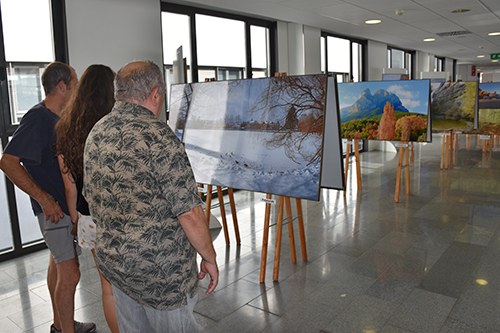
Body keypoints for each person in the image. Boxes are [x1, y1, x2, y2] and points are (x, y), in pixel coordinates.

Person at [83, 60, 219, 333]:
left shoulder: (97, 133)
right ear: (155, 93)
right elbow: (189, 213)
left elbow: (93, 198)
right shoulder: (159, 137)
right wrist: (209, 256)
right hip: (162, 276)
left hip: (117, 265)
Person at [0, 62, 96, 333]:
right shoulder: (38, 118)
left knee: (57, 265)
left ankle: (60, 323)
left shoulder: (58, 118)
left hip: (63, 208)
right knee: (71, 272)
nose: (77, 87)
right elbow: (7, 162)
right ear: (62, 86)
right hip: (54, 210)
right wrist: (44, 200)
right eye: (74, 82)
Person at [55, 64, 119, 333]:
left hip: (88, 218)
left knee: (108, 286)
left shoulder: (65, 128)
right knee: (128, 285)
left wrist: (75, 219)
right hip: (118, 217)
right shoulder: (113, 128)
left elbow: (69, 186)